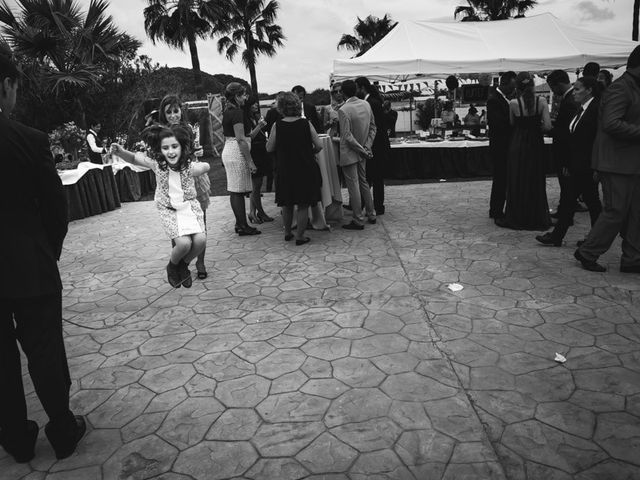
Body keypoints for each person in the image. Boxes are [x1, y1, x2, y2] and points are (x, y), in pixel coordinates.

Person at [0, 54, 86, 463]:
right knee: (46, 350)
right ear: (5, 85)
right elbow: (56, 210)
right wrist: (46, 252)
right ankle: (62, 430)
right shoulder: (30, 140)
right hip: (31, 264)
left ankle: (16, 438)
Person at [112, 124, 209, 287]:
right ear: (160, 149)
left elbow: (204, 167)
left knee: (200, 241)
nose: (170, 151)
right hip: (169, 210)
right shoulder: (158, 165)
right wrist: (121, 152)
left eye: (174, 146)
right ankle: (172, 266)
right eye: (165, 148)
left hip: (188, 208)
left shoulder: (188, 166)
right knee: (184, 244)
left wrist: (204, 164)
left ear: (182, 147)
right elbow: (135, 158)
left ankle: (183, 265)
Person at [574, 46, 640, 273]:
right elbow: (611, 123)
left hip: (630, 163)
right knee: (615, 212)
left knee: (635, 213)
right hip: (615, 163)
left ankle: (632, 258)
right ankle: (588, 251)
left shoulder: (633, 87)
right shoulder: (621, 89)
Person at [536, 76, 602, 246]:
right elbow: (573, 137)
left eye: (578, 89)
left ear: (589, 90)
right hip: (577, 165)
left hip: (586, 166)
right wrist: (567, 162)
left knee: (590, 203)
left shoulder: (595, 109)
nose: (575, 93)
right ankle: (559, 236)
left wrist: (596, 166)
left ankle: (593, 239)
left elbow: (595, 140)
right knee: (570, 201)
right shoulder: (582, 109)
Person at [158, 94, 211, 279]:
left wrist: (197, 152)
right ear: (163, 114)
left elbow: (193, 152)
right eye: (169, 112)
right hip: (174, 184)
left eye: (176, 111)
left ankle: (200, 262)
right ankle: (179, 265)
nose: (173, 115)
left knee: (200, 223)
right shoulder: (160, 133)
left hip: (193, 179)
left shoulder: (188, 128)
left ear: (181, 110)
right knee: (178, 228)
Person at [496, 71, 552, 230]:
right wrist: (536, 128)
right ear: (533, 85)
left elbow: (512, 124)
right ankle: (536, 216)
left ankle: (517, 216)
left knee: (517, 178)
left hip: (518, 143)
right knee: (535, 179)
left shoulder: (513, 103)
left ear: (517, 86)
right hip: (535, 143)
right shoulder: (541, 101)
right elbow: (548, 126)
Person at [266, 92, 323, 245]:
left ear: (281, 107)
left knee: (287, 202)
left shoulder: (277, 125)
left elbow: (269, 147)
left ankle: (287, 232)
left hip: (285, 168)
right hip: (305, 167)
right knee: (303, 203)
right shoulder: (306, 123)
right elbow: (319, 145)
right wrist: (309, 152)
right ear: (297, 106)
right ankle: (300, 236)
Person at [220, 82, 260, 236]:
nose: (245, 97)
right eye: (243, 94)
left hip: (229, 150)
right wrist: (250, 161)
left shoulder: (228, 110)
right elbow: (241, 139)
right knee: (237, 191)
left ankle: (240, 223)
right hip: (236, 152)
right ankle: (243, 225)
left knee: (235, 190)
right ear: (236, 96)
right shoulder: (236, 112)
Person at [338, 79, 377, 230]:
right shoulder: (366, 104)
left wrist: (363, 149)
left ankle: (358, 219)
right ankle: (371, 213)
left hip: (350, 152)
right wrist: (367, 147)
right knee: (363, 182)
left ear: (343, 92)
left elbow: (346, 136)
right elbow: (373, 128)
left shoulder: (344, 109)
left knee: (353, 186)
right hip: (363, 151)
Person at [547, 70, 580, 221]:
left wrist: (551, 130)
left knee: (568, 186)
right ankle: (564, 214)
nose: (553, 91)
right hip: (567, 151)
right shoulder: (570, 98)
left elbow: (568, 131)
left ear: (558, 84)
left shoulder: (570, 100)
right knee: (567, 187)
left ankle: (566, 217)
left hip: (566, 152)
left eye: (552, 88)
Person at [355, 76, 390, 215]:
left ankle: (377, 206)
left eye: (357, 88)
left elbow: (374, 127)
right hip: (377, 144)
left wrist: (368, 145)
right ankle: (369, 204)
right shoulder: (371, 101)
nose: (356, 91)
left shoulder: (371, 103)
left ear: (362, 88)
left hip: (376, 145)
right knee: (372, 177)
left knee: (374, 177)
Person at [488, 71, 517, 221]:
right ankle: (496, 210)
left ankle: (498, 208)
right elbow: (498, 124)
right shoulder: (494, 99)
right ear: (503, 84)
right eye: (512, 86)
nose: (514, 90)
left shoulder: (505, 98)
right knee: (500, 179)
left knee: (503, 179)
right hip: (500, 147)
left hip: (506, 146)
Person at [245, 96, 273, 224]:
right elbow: (249, 136)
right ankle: (260, 212)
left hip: (261, 151)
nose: (256, 105)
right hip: (254, 152)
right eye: (253, 104)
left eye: (257, 103)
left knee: (257, 184)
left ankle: (252, 212)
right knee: (256, 185)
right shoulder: (245, 119)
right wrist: (259, 126)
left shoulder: (254, 117)